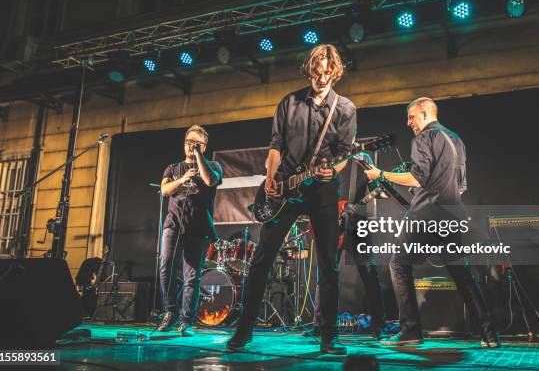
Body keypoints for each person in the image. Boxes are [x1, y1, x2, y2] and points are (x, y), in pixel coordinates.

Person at [227, 44, 356, 355]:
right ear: (309, 69)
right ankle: (244, 330)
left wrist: (331, 171)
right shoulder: (289, 102)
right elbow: (275, 146)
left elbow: (345, 155)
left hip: (322, 189)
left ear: (335, 72)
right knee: (260, 261)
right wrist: (270, 178)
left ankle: (329, 336)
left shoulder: (345, 108)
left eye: (328, 72)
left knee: (329, 264)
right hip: (285, 186)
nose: (322, 77)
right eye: (317, 71)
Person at [364, 97, 499, 347]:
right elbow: (461, 186)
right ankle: (489, 334)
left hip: (426, 215)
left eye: (411, 117)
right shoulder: (456, 140)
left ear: (425, 113)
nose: (408, 123)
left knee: (399, 265)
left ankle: (411, 331)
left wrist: (380, 174)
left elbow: (418, 179)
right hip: (452, 213)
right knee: (463, 274)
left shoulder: (424, 138)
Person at [305, 150, 388, 340]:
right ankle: (320, 324)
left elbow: (376, 187)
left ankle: (379, 325)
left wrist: (379, 183)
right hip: (331, 219)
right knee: (326, 271)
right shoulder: (330, 158)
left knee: (368, 271)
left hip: (358, 220)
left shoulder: (363, 158)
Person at [157, 125, 223, 336]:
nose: (190, 146)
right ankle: (170, 312)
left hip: (198, 227)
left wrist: (198, 156)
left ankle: (186, 321)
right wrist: (183, 179)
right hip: (173, 224)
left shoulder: (213, 165)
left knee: (191, 276)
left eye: (196, 143)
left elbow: (210, 180)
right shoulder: (173, 168)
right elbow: (165, 190)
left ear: (203, 146)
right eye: (188, 142)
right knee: (166, 266)